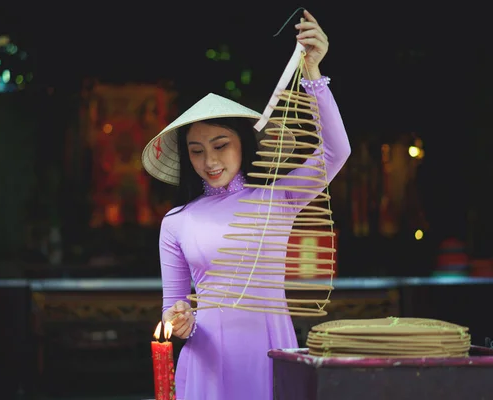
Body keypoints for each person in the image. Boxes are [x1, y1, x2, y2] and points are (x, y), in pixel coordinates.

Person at [141, 10, 351, 400]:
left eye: (221, 145)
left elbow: (336, 151)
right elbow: (173, 309)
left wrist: (314, 76)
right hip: (207, 362)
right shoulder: (176, 222)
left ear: (242, 143)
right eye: (197, 151)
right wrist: (180, 321)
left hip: (271, 350)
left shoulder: (278, 197)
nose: (210, 161)